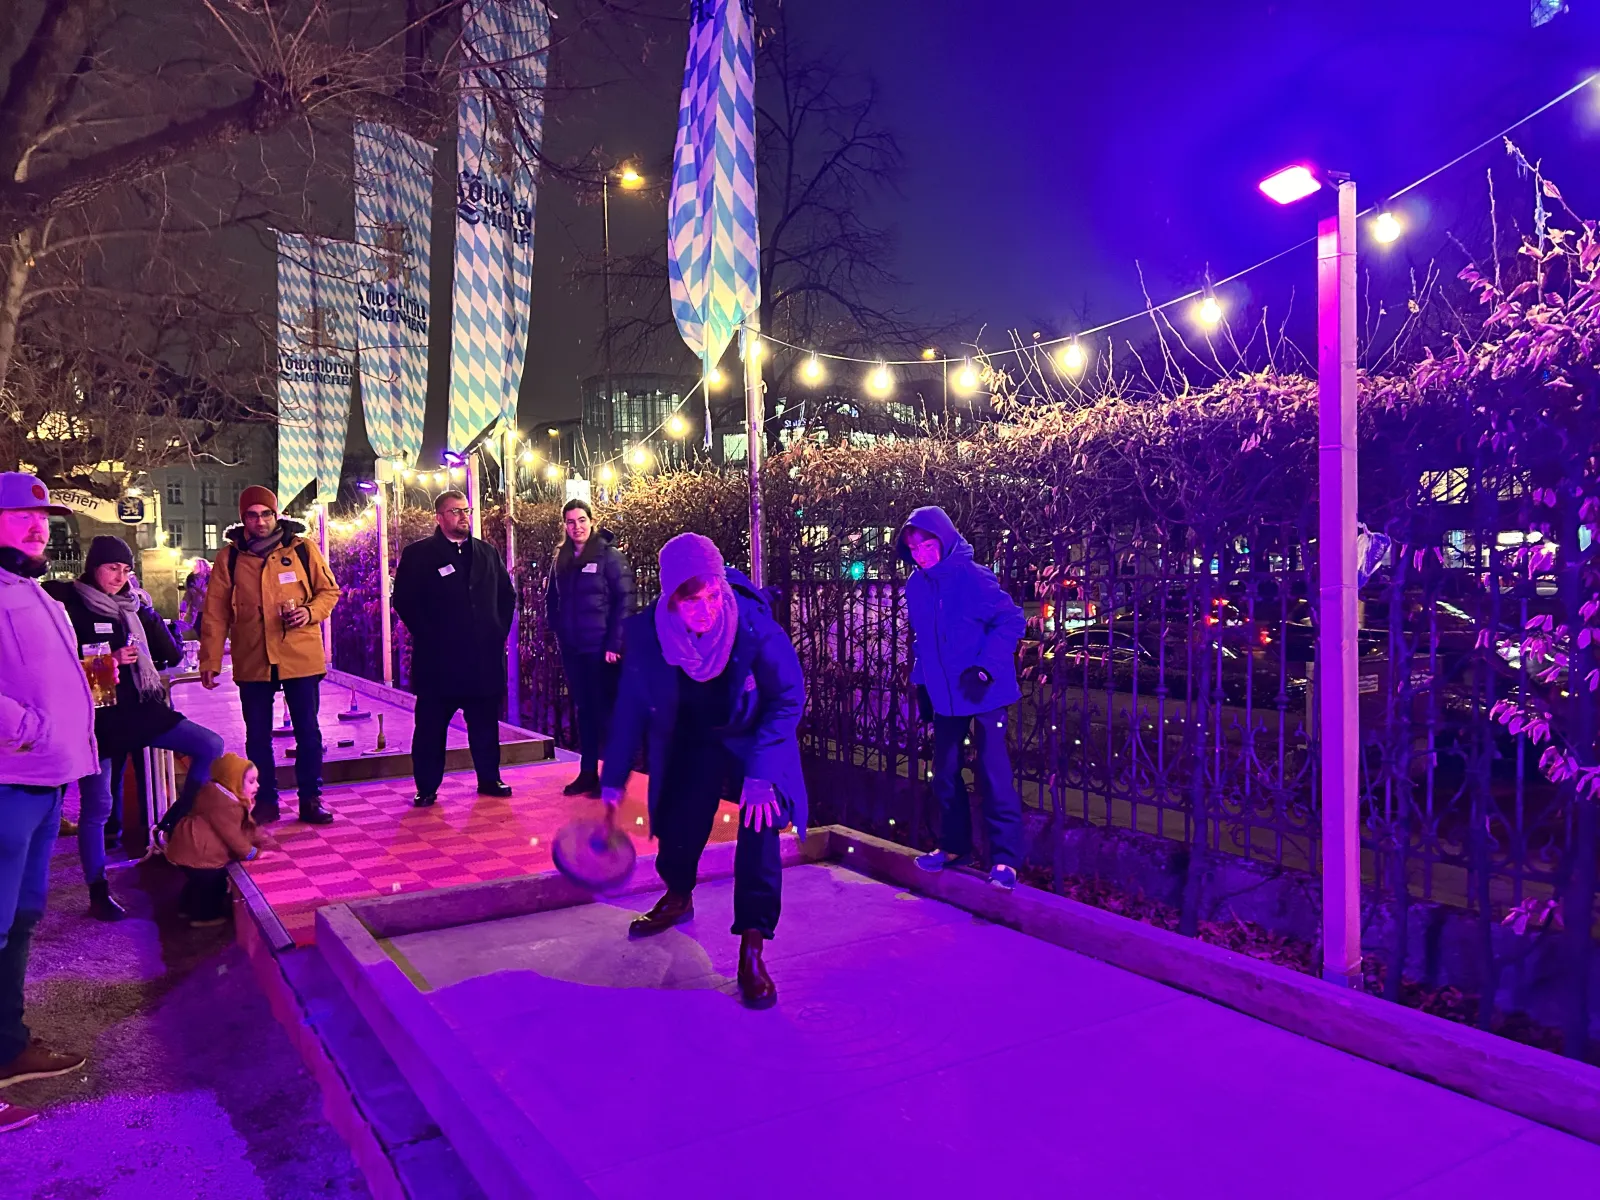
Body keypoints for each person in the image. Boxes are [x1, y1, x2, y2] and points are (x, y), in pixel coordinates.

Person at [600, 533, 806, 1010]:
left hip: (753, 739)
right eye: (691, 601)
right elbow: (632, 706)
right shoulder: (652, 635)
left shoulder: (754, 627)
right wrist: (613, 779)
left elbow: (787, 698)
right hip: (692, 736)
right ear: (672, 598)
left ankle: (752, 945)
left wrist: (760, 776)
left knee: (760, 824)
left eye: (713, 596)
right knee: (679, 819)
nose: (706, 610)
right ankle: (678, 893)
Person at [44, 536, 224, 921]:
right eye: (112, 568)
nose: (119, 577)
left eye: (125, 570)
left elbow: (171, 655)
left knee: (210, 744)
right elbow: (55, 665)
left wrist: (147, 611)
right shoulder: (70, 606)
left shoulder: (132, 606)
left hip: (142, 709)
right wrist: (107, 660)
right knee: (97, 808)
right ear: (94, 567)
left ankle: (174, 818)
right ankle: (98, 890)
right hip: (97, 720)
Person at [0, 473, 93, 1134]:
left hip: (42, 782)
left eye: (43, 518)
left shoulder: (28, 588)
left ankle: (9, 1047)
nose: (39, 528)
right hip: (8, 780)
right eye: (21, 516)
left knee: (22, 918)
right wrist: (25, 726)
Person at [898, 506, 1027, 891]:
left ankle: (1005, 860)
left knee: (993, 774)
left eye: (927, 543)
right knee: (945, 775)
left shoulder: (974, 578)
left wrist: (986, 667)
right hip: (945, 697)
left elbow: (1011, 620)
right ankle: (954, 847)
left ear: (945, 538)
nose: (921, 553)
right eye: (914, 547)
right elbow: (924, 642)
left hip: (984, 691)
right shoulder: (916, 585)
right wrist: (921, 682)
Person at [198, 486, 340, 825]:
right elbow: (215, 613)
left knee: (308, 730)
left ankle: (311, 799)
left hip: (298, 656)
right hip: (253, 658)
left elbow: (329, 591)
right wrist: (210, 660)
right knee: (257, 735)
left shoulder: (303, 549)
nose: (260, 521)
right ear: (243, 518)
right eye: (252, 514)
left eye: (266, 514)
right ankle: (265, 801)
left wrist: (309, 612)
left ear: (276, 515)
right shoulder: (230, 557)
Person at [392, 490, 516, 808]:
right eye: (455, 511)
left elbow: (506, 596)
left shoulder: (487, 553)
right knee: (431, 729)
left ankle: (489, 778)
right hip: (439, 663)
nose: (463, 515)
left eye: (466, 510)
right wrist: (429, 634)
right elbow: (404, 600)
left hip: (482, 662)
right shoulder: (419, 555)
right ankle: (427, 787)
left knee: (485, 725)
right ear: (439, 517)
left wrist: (496, 631)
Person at [545, 499, 635, 797]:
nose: (577, 527)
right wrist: (559, 631)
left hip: (602, 651)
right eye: (570, 522)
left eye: (581, 520)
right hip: (574, 650)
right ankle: (587, 773)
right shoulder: (561, 558)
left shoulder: (610, 557)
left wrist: (615, 643)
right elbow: (552, 599)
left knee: (606, 712)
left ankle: (612, 776)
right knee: (584, 712)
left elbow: (625, 601)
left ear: (592, 521)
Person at [164, 752, 261, 929]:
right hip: (202, 854)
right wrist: (252, 853)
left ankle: (185, 907)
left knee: (197, 882)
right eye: (252, 781)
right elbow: (234, 837)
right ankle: (205, 916)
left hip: (186, 848)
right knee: (212, 884)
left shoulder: (213, 791)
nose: (257, 785)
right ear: (233, 781)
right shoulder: (227, 806)